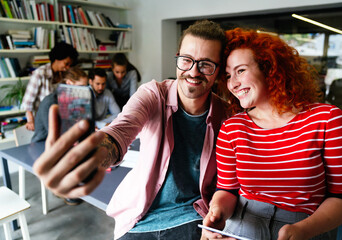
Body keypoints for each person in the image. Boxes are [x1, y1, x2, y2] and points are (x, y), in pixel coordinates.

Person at [33, 20, 228, 240]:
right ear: (177, 58)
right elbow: (121, 129)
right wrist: (89, 160)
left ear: (219, 70)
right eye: (186, 60)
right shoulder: (153, 94)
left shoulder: (226, 113)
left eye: (206, 64)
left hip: (192, 218)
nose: (193, 71)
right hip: (139, 218)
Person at [202, 28, 342, 240]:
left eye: (240, 71)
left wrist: (304, 230)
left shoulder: (327, 120)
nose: (233, 83)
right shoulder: (232, 128)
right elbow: (227, 190)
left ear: (269, 69)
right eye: (228, 76)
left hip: (305, 229)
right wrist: (218, 211)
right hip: (242, 227)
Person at [21, 42, 79, 131]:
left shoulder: (64, 75)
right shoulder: (40, 73)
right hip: (42, 122)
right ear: (57, 58)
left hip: (59, 120)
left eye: (69, 65)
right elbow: (27, 102)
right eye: (66, 63)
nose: (67, 67)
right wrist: (31, 121)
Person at [32, 67, 88, 143]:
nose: (84, 91)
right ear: (69, 83)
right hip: (42, 144)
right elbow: (56, 133)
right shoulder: (50, 102)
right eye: (81, 87)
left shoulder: (72, 101)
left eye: (86, 87)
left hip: (63, 142)